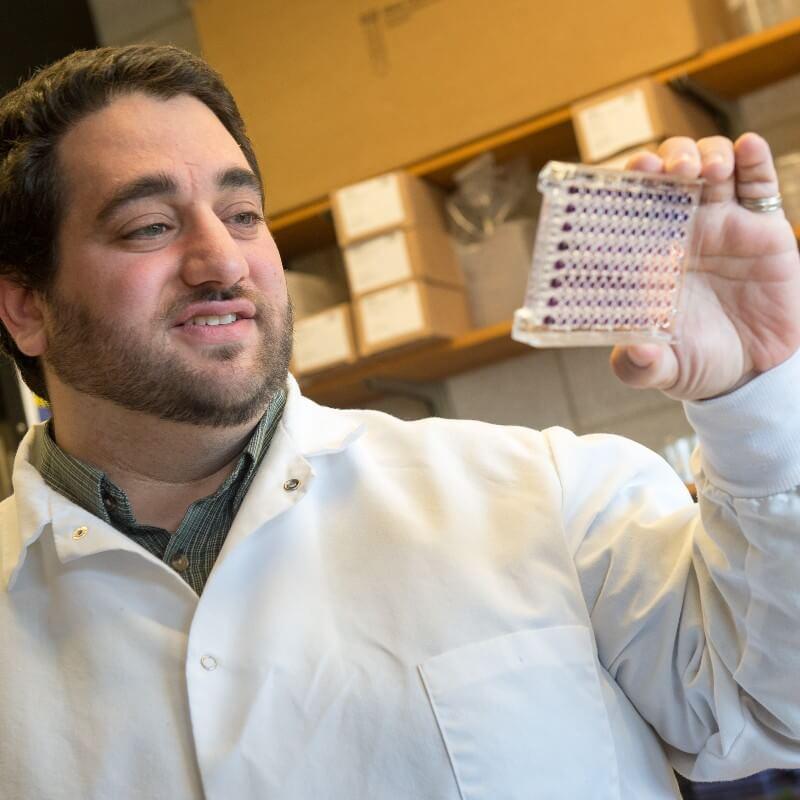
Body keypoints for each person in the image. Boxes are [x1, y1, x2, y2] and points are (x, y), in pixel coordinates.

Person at [0, 44, 798, 800]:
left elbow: (769, 709)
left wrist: (757, 396)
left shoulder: (544, 491)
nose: (226, 263)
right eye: (151, 227)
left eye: (242, 213)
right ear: (27, 307)